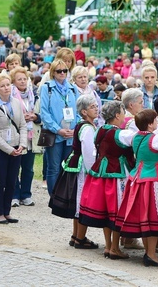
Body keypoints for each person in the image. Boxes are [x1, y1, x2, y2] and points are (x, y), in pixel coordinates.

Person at [115, 108, 158, 267]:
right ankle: (150, 254)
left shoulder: (135, 137)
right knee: (153, 218)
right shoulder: (156, 140)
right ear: (150, 124)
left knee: (145, 218)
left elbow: (124, 135)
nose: (157, 122)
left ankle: (149, 252)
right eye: (155, 121)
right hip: (153, 181)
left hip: (137, 179)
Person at [79, 100, 135, 260]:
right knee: (116, 210)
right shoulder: (121, 134)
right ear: (117, 115)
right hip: (116, 173)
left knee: (106, 211)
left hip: (100, 172)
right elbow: (138, 138)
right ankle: (115, 248)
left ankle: (109, 245)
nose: (124, 115)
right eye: (123, 112)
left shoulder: (100, 130)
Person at [48, 94, 99, 250]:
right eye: (92, 107)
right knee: (83, 201)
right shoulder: (88, 128)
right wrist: (93, 172)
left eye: (96, 106)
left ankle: (76, 235)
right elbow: (89, 152)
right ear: (83, 112)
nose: (96, 109)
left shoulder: (82, 125)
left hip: (75, 164)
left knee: (78, 200)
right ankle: (80, 238)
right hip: (82, 167)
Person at [0, 73, 27, 224]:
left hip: (17, 146)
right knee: (1, 182)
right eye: (2, 86)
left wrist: (22, 144)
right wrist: (8, 149)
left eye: (8, 85)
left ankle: (7, 211)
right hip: (0, 149)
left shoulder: (16, 102)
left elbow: (22, 125)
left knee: (12, 181)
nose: (6, 88)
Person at [40, 59, 80, 195]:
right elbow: (44, 113)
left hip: (70, 134)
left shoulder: (72, 88)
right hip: (55, 134)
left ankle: (64, 196)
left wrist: (75, 129)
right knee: (54, 168)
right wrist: (58, 130)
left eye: (65, 71)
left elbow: (79, 111)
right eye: (59, 71)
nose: (62, 73)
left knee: (67, 166)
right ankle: (54, 196)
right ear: (53, 72)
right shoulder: (47, 88)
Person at [10, 67, 40, 207]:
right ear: (13, 82)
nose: (22, 82)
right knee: (14, 167)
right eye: (19, 79)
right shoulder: (10, 95)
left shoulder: (33, 94)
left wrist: (34, 116)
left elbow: (39, 113)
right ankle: (14, 195)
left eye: (24, 79)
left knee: (28, 167)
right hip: (16, 135)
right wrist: (22, 117)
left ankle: (26, 194)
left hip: (30, 136)